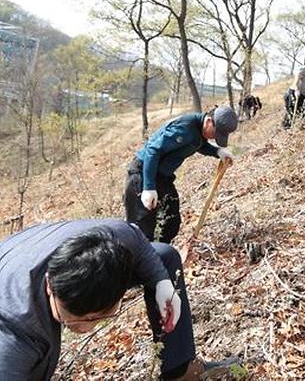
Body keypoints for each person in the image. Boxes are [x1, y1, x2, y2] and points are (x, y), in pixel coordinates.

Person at [0, 219, 237, 380]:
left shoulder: (109, 236)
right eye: (76, 319)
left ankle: (180, 370)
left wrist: (162, 282)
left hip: (31, 249)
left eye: (98, 317)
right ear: (50, 286)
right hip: (13, 279)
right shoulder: (15, 339)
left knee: (163, 256)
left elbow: (132, 233)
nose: (86, 328)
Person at [124, 106, 238, 243]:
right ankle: (141, 261)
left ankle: (160, 254)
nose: (215, 137)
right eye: (216, 133)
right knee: (142, 228)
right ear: (209, 121)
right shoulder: (184, 128)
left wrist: (217, 151)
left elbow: (197, 144)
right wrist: (148, 187)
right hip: (143, 173)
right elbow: (153, 151)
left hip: (163, 178)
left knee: (171, 222)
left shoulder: (198, 131)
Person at [282, 58, 305, 128]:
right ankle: (287, 127)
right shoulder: (303, 69)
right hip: (295, 93)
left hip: (304, 94)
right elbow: (297, 79)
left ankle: (302, 124)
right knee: (292, 111)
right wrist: (296, 90)